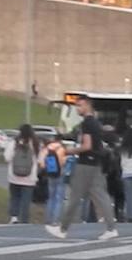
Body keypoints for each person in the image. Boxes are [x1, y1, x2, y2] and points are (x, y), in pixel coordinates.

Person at [45, 96, 119, 241]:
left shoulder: (87, 123)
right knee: (101, 195)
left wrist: (67, 151)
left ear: (88, 106)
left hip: (85, 163)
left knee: (75, 196)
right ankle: (111, 227)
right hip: (96, 162)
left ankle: (62, 229)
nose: (78, 109)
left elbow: (87, 146)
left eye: (80, 106)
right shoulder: (96, 123)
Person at [3, 124, 40, 224]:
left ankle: (14, 217)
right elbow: (39, 160)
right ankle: (24, 220)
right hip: (29, 178)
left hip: (14, 176)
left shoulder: (14, 143)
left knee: (14, 197)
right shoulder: (35, 144)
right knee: (26, 201)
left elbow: (7, 157)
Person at [40, 133, 68, 225]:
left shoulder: (47, 148)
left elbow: (41, 163)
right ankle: (55, 220)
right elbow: (64, 161)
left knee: (51, 197)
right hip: (60, 173)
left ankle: (48, 218)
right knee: (58, 198)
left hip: (50, 174)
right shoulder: (62, 149)